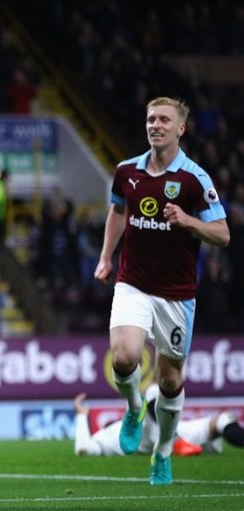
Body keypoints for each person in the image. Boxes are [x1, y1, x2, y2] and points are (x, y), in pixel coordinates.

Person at [93, 97, 229, 485]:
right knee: (124, 358)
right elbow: (118, 212)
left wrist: (186, 220)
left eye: (164, 120)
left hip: (176, 293)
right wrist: (106, 257)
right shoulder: (126, 171)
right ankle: (135, 407)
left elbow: (222, 234)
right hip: (132, 282)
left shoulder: (194, 179)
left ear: (180, 128)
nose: (155, 124)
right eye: (151, 118)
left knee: (170, 381)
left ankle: (164, 450)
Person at [73, 388, 244, 457]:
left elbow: (83, 450)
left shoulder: (108, 434)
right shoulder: (103, 436)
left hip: (175, 429)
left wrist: (82, 416)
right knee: (152, 391)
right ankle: (175, 441)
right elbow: (83, 449)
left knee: (224, 419)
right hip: (145, 439)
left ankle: (175, 440)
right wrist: (81, 416)